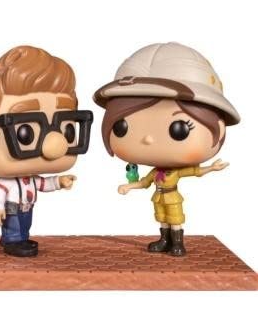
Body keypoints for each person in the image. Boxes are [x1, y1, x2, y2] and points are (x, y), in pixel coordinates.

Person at [93, 42, 240, 256]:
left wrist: (211, 168)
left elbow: (195, 172)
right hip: (159, 198)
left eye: (179, 129)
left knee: (175, 219)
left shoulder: (174, 173)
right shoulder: (156, 174)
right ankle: (164, 240)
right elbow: (144, 183)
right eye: (121, 126)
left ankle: (177, 243)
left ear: (219, 126)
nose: (148, 138)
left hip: (172, 198)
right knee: (161, 218)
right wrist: (129, 186)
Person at [0, 45, 93, 257]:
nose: (56, 145)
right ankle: (12, 240)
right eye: (25, 132)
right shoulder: (6, 183)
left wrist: (59, 182)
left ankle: (21, 238)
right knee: (14, 223)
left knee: (25, 223)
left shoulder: (30, 179)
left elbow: (43, 184)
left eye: (67, 129)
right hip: (11, 207)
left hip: (27, 206)